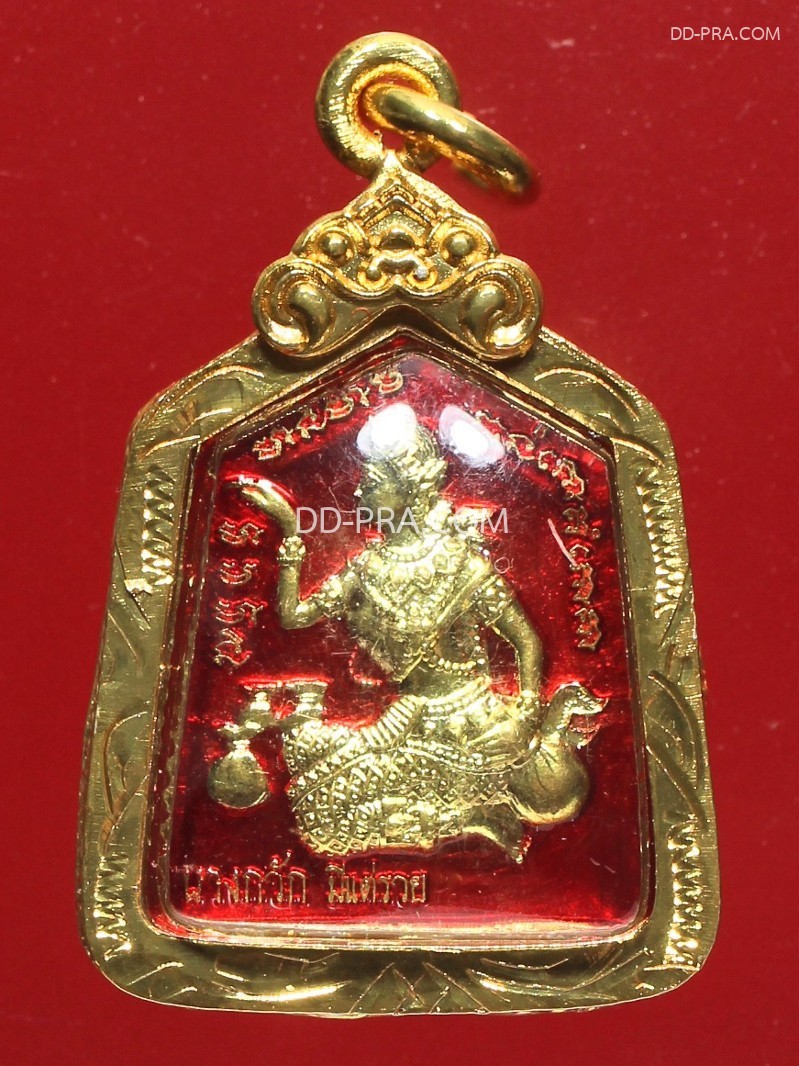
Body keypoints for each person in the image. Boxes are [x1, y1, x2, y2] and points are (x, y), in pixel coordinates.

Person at [241, 403, 599, 861]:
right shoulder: (365, 569)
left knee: (320, 819)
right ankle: (464, 813)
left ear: (407, 489)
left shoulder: (460, 563)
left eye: (373, 483)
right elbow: (294, 617)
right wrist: (291, 532)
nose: (359, 491)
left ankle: (474, 820)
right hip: (405, 719)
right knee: (303, 753)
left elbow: (526, 641)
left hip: (472, 728)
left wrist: (525, 714)